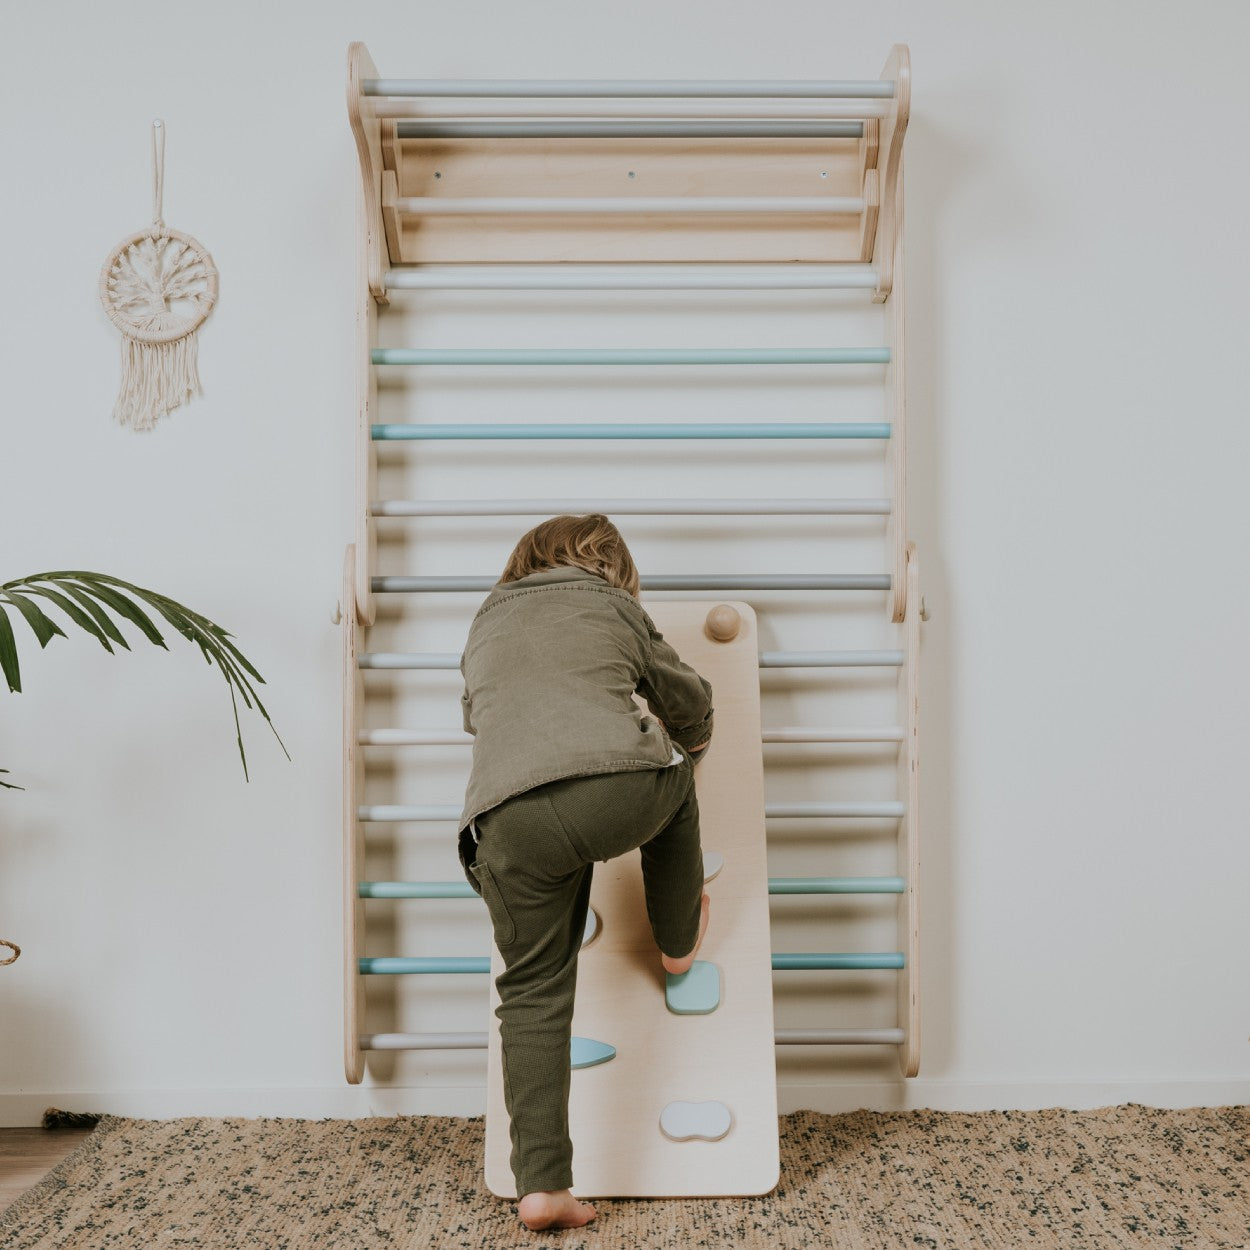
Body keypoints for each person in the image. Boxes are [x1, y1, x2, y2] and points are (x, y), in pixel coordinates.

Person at [457, 514, 714, 1231]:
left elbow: (478, 717)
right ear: (615, 571)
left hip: (504, 821)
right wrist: (693, 738)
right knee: (678, 774)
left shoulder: (483, 623)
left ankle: (540, 1186)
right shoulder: (616, 606)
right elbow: (685, 699)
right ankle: (677, 939)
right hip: (613, 790)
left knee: (531, 991)